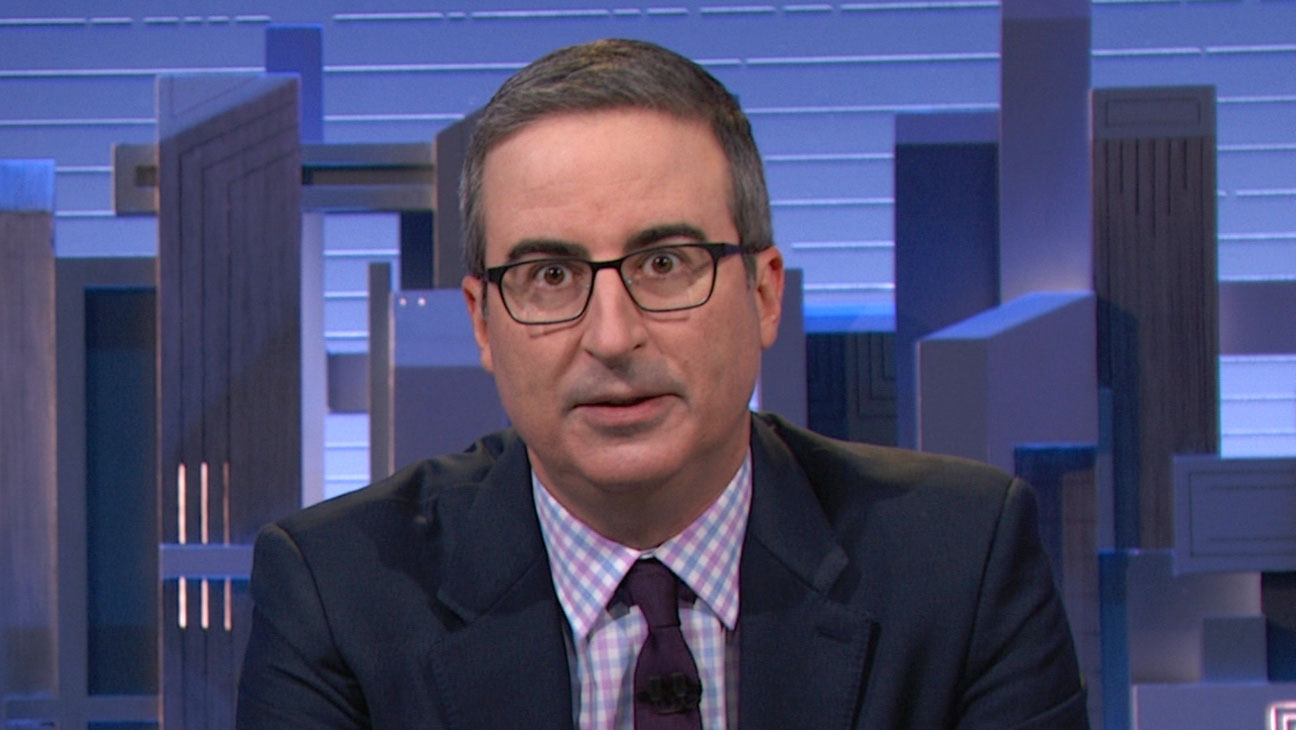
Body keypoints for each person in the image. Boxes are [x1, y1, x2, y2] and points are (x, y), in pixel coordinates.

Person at [236, 38, 1088, 730]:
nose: (612, 336)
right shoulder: (339, 594)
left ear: (764, 294)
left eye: (665, 263)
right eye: (549, 276)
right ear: (483, 323)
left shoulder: (962, 561)